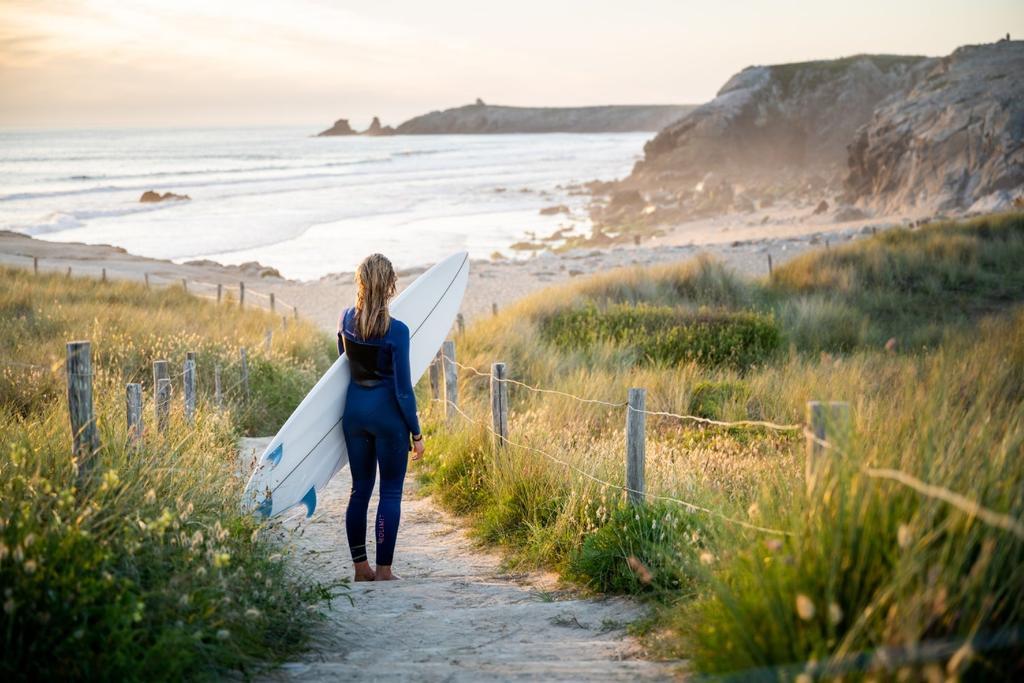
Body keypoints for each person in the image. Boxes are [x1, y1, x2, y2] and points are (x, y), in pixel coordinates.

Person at [338, 254, 424, 581]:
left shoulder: (346, 319)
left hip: (355, 412)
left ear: (360, 283)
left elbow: (341, 367)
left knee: (359, 490)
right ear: (390, 286)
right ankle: (384, 571)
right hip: (388, 419)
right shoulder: (397, 331)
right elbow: (403, 390)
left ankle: (361, 569)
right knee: (389, 493)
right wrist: (416, 433)